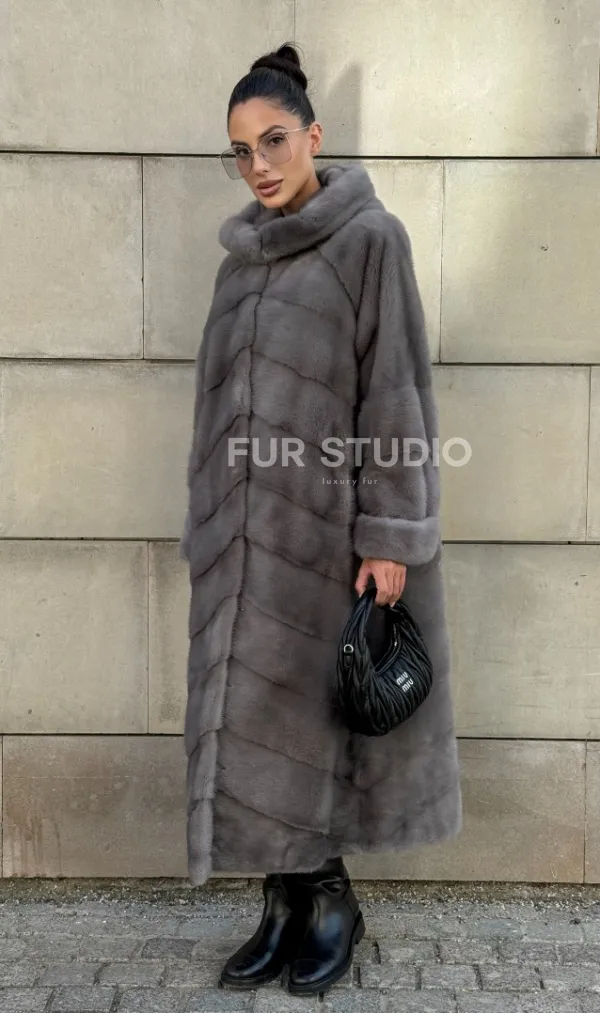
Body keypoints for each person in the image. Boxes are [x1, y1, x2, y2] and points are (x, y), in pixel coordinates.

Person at [180, 41, 462, 996]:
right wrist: (208, 526)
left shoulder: (369, 241)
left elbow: (396, 395)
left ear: (313, 136)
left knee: (313, 726)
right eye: (241, 151)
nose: (258, 165)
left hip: (325, 542)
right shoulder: (239, 266)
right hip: (242, 552)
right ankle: (283, 902)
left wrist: (388, 536)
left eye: (273, 141)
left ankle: (331, 902)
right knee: (254, 727)